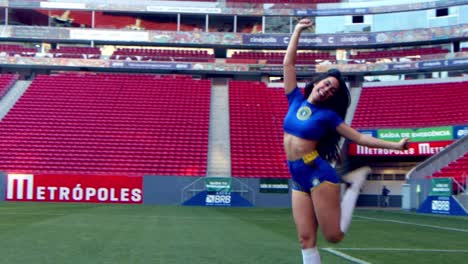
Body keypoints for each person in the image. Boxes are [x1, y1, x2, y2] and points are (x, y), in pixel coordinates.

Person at [282, 18, 410, 264]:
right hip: (297, 175)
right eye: (327, 84)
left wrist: (395, 146)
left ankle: (352, 185)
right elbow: (289, 63)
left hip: (317, 172)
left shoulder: (329, 116)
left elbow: (359, 137)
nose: (327, 90)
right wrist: (297, 30)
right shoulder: (295, 100)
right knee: (305, 239)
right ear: (318, 82)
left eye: (332, 91)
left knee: (334, 236)